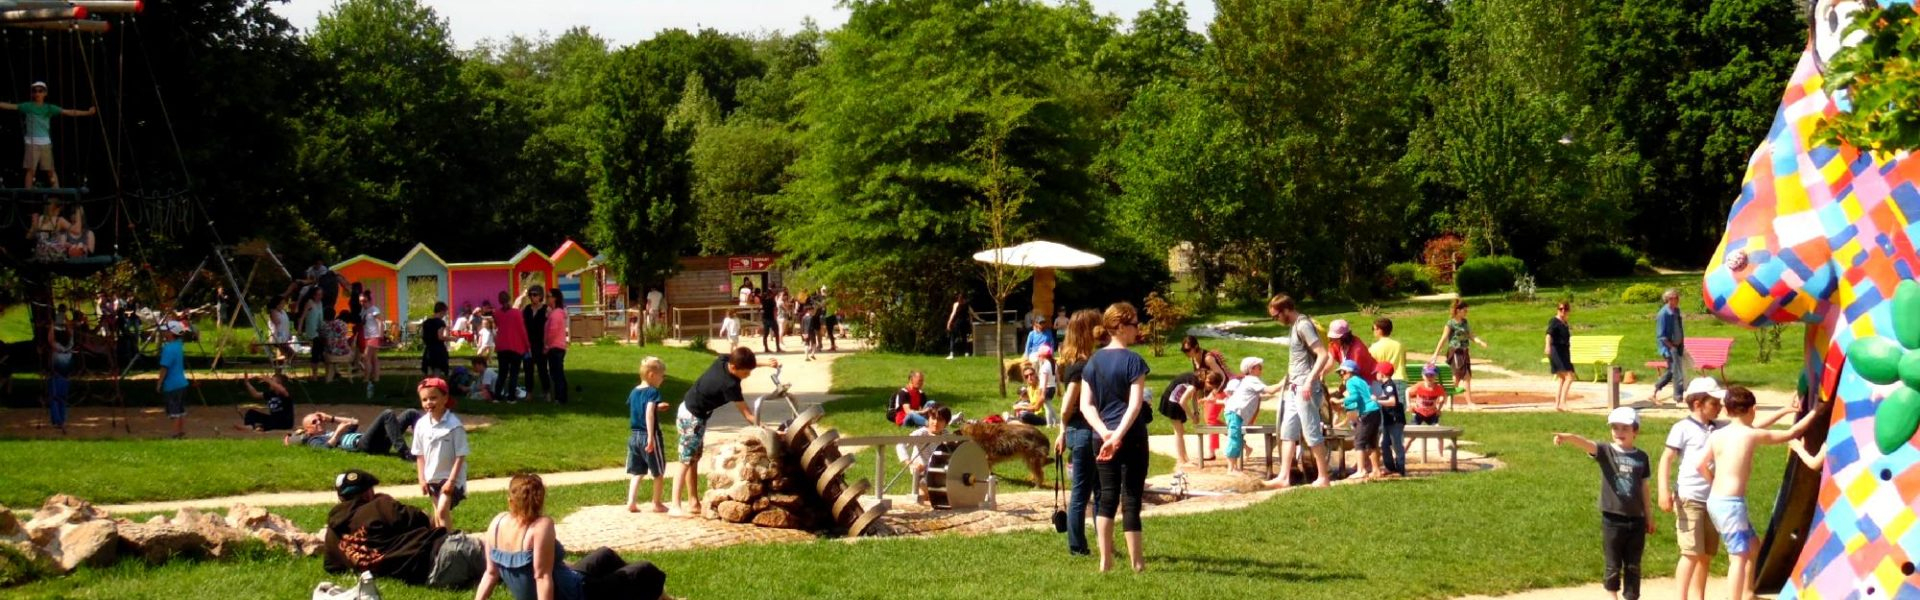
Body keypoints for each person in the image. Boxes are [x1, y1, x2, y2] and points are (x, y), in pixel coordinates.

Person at [1655, 377, 1798, 600]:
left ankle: (1699, 596)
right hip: (1689, 497)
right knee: (1691, 553)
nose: (1721, 407)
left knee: (1706, 555)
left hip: (1713, 499)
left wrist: (1785, 410)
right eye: (1714, 403)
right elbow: (1667, 458)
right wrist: (1663, 490)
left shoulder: (1719, 427)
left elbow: (1753, 427)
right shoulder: (1681, 428)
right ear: (1697, 404)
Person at [1698, 386, 1825, 600]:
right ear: (1753, 409)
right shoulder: (1749, 435)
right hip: (1731, 504)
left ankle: (1748, 592)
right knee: (1738, 556)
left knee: (1753, 545)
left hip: (1718, 501)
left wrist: (1715, 486)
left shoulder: (1718, 435)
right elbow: (1791, 434)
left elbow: (1700, 465)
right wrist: (1816, 411)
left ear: (1727, 410)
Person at [475, 474, 669, 600]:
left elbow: (491, 574)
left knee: (605, 554)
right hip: (578, 594)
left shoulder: (497, 523)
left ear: (510, 500)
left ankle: (656, 595)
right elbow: (542, 578)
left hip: (569, 579)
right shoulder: (540, 526)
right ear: (541, 499)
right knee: (644, 570)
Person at [1078, 302, 1152, 573]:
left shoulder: (1092, 362)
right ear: (1120, 327)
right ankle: (1137, 563)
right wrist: (1118, 435)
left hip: (1102, 438)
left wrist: (1105, 434)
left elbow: (1086, 406)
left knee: (1107, 497)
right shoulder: (1134, 361)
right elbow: (1134, 406)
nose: (1137, 329)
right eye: (1134, 324)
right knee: (1131, 497)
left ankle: (1105, 560)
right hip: (1130, 436)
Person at [1553, 407, 1655, 600]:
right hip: (1612, 519)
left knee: (1633, 564)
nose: (1619, 432)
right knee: (1613, 563)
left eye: (1625, 428)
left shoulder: (1642, 457)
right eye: (1615, 428)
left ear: (1636, 431)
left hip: (1636, 520)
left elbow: (1644, 488)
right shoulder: (1606, 451)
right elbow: (1587, 444)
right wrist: (1569, 437)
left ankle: (1631, 596)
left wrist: (1648, 517)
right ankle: (1612, 596)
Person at [323, 469, 486, 589]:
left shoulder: (332, 535)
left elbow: (332, 567)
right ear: (367, 494)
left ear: (341, 497)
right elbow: (426, 520)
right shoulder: (380, 506)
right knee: (501, 552)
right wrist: (388, 501)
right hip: (444, 553)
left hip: (429, 578)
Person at [670, 347, 778, 517]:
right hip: (692, 418)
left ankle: (693, 502)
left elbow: (740, 359)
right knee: (685, 460)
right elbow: (748, 414)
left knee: (693, 459)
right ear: (735, 368)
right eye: (746, 372)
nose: (748, 375)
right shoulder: (730, 385)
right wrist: (766, 428)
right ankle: (674, 505)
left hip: (690, 412)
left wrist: (765, 363)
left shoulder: (723, 360)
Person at [1266, 294, 1332, 489]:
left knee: (1311, 431)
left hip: (1306, 388)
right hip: (1294, 387)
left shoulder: (1303, 325)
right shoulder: (1294, 327)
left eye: (1276, 315)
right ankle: (1284, 476)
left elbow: (1323, 354)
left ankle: (1323, 478)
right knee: (1287, 432)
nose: (1276, 319)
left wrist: (1309, 382)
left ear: (1286, 310)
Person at [1052, 308, 1102, 556]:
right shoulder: (1081, 366)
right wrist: (1063, 427)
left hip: (1078, 432)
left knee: (1094, 490)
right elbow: (1066, 405)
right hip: (1084, 431)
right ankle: (1077, 546)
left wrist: (1062, 432)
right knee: (1084, 492)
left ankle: (1098, 543)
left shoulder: (1075, 362)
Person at [2, 81, 97, 189]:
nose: (37, 93)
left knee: (51, 172)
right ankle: (28, 195)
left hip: (45, 144)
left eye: (40, 91)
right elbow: (10, 106)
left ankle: (57, 195)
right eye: (35, 91)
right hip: (31, 143)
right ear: (32, 94)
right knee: (30, 171)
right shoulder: (27, 106)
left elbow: (69, 112)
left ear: (45, 93)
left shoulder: (49, 108)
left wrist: (87, 113)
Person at [411, 378, 469, 528]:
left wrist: (452, 481)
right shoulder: (421, 425)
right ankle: (438, 543)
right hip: (431, 477)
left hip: (450, 478)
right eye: (424, 399)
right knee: (437, 514)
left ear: (445, 398)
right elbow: (419, 454)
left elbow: (460, 455)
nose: (428, 402)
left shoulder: (454, 425)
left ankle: (449, 546)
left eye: (433, 398)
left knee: (442, 511)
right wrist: (421, 478)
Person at [626, 356, 671, 514]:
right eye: (661, 376)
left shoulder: (634, 392)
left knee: (637, 471)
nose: (662, 379)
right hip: (648, 435)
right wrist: (651, 437)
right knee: (658, 471)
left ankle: (631, 502)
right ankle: (657, 503)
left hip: (634, 436)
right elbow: (648, 412)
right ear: (652, 375)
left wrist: (658, 407)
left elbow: (640, 408)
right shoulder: (653, 392)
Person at [1222, 357, 1281, 473]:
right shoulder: (1251, 380)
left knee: (1237, 438)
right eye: (1259, 367)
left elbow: (1265, 393)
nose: (1261, 369)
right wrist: (1283, 383)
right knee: (1234, 438)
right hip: (1235, 412)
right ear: (1252, 369)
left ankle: (1233, 468)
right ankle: (1231, 469)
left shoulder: (1250, 380)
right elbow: (1270, 390)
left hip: (1236, 412)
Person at [1429, 299, 1488, 409]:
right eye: (1465, 310)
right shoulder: (1450, 323)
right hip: (1455, 352)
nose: (1466, 312)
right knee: (1462, 377)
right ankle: (1466, 403)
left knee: (1463, 378)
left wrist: (1479, 341)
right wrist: (1435, 354)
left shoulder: (1465, 322)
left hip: (1464, 352)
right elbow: (1443, 339)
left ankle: (1443, 400)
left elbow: (1470, 335)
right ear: (1458, 310)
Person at [288, 409, 419, 458]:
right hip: (362, 444)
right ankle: (405, 453)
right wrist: (338, 433)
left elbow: (354, 422)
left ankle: (422, 448)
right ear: (308, 429)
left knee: (411, 413)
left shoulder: (329, 431)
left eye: (319, 420)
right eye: (314, 422)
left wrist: (331, 418)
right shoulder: (313, 440)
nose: (318, 423)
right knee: (387, 414)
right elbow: (325, 449)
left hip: (375, 442)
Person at [1370, 318, 1408, 476]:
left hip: (1383, 382)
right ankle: (1399, 461)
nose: (1373, 331)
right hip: (1400, 379)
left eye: (1374, 328)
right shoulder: (1399, 345)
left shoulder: (1374, 347)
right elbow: (1403, 362)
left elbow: (1373, 366)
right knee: (1397, 423)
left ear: (1379, 329)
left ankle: (1388, 463)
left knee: (1383, 420)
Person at [1335, 359, 1383, 481]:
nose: (1341, 375)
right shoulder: (1361, 380)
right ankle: (1376, 470)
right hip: (1375, 411)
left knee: (1359, 441)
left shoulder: (1350, 382)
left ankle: (1361, 470)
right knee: (1371, 442)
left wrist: (1341, 401)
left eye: (1342, 372)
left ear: (1349, 372)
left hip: (1367, 412)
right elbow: (1362, 397)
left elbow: (1355, 397)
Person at [895, 405, 954, 499]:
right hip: (923, 475)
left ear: (946, 423)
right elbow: (900, 444)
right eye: (933, 418)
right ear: (928, 419)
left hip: (941, 474)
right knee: (924, 495)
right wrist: (909, 463)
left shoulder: (946, 435)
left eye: (940, 420)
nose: (935, 423)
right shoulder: (921, 433)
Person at [1651, 289, 1687, 406]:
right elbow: (1661, 335)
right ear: (1669, 299)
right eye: (1676, 297)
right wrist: (1672, 347)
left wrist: (1680, 344)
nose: (1678, 299)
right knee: (1676, 372)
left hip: (1678, 345)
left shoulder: (1676, 311)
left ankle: (1654, 392)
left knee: (1672, 371)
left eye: (1678, 297)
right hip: (1669, 347)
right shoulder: (1663, 314)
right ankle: (1678, 398)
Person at [1156, 371, 1200, 467]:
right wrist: (1192, 416)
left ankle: (1185, 457)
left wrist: (1197, 413)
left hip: (1175, 400)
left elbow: (1194, 398)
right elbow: (1182, 401)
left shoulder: (1193, 379)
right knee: (1179, 431)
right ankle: (1181, 459)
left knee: (1180, 431)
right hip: (1171, 402)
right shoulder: (1193, 386)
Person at [493, 290, 529, 402]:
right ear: (509, 299)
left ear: (499, 301)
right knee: (514, 373)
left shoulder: (496, 313)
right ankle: (511, 397)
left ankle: (497, 396)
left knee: (502, 373)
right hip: (515, 346)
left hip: (502, 346)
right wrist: (527, 345)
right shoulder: (517, 313)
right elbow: (522, 330)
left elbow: (499, 325)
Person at [157, 320, 190, 439]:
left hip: (172, 385)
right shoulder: (179, 345)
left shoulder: (168, 349)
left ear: (171, 333)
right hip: (182, 383)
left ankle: (175, 434)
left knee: (174, 411)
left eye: (166, 330)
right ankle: (181, 431)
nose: (164, 332)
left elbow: (164, 368)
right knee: (181, 410)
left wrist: (159, 383)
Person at [523, 286, 553, 403]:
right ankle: (529, 393)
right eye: (530, 294)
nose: (532, 297)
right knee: (528, 370)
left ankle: (547, 392)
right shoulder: (527, 309)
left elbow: (550, 327)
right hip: (528, 344)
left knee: (542, 370)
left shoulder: (546, 309)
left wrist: (548, 343)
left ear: (541, 296)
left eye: (535, 294)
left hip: (541, 343)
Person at [1547, 302, 1575, 411]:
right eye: (1561, 309)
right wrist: (1547, 346)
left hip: (1563, 352)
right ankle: (1563, 403)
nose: (1563, 311)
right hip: (1557, 352)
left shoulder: (1564, 323)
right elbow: (1548, 334)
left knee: (1563, 378)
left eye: (1565, 309)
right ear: (1557, 309)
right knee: (1569, 377)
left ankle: (1557, 404)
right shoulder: (1555, 321)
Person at [46, 320, 72, 433]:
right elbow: (71, 334)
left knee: (54, 399)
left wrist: (51, 326)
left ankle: (57, 421)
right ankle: (62, 419)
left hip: (56, 376)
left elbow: (50, 340)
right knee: (62, 399)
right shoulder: (70, 347)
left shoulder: (57, 348)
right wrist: (67, 323)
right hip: (66, 377)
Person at [544, 294, 570, 404]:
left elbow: (552, 331)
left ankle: (560, 397)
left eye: (549, 296)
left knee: (556, 373)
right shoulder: (555, 313)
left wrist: (547, 345)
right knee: (556, 373)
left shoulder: (556, 314)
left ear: (554, 298)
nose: (547, 298)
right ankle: (561, 396)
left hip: (555, 347)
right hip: (557, 346)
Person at [360, 292, 386, 399]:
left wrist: (380, 335)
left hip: (374, 336)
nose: (362, 303)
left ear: (370, 300)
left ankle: (367, 378)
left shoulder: (374, 309)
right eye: (360, 301)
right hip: (368, 336)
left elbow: (380, 322)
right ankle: (376, 377)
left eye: (364, 301)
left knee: (366, 357)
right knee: (374, 358)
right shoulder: (364, 310)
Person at [421, 302, 451, 377]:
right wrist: (452, 338)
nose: (444, 315)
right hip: (438, 351)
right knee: (437, 372)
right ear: (442, 311)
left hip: (428, 350)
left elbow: (423, 335)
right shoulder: (440, 322)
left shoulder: (426, 322)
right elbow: (440, 336)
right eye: (445, 313)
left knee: (428, 373)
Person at [324, 310, 355, 383]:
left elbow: (325, 336)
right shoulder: (344, 325)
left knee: (325, 352)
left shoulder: (329, 324)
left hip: (333, 351)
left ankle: (330, 375)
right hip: (344, 351)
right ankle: (337, 372)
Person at [301, 292, 326, 380]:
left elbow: (320, 317)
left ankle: (328, 372)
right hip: (312, 331)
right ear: (314, 295)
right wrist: (300, 329)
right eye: (318, 294)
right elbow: (303, 316)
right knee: (315, 351)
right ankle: (314, 374)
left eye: (321, 294)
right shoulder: (310, 302)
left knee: (322, 351)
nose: (320, 296)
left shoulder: (320, 303)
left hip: (320, 330)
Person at [758, 285, 782, 354]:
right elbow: (775, 309)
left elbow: (760, 309)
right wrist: (775, 317)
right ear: (771, 294)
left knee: (765, 334)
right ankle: (778, 348)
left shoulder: (763, 301)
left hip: (765, 318)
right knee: (776, 333)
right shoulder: (772, 301)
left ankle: (766, 348)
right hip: (771, 318)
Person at [945, 292, 967, 360]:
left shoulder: (956, 304)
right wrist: (980, 319)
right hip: (964, 323)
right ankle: (966, 353)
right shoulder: (966, 305)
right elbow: (972, 313)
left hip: (957, 323)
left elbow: (953, 313)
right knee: (964, 337)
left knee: (952, 338)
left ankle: (951, 354)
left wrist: (949, 322)